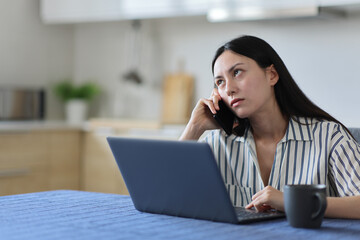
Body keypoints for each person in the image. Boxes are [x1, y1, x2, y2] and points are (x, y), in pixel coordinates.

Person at [180, 35, 360, 219]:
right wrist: (194, 127)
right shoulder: (217, 144)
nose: (229, 89)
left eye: (237, 72)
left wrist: (292, 202)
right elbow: (162, 198)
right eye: (220, 82)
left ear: (272, 75)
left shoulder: (329, 137)